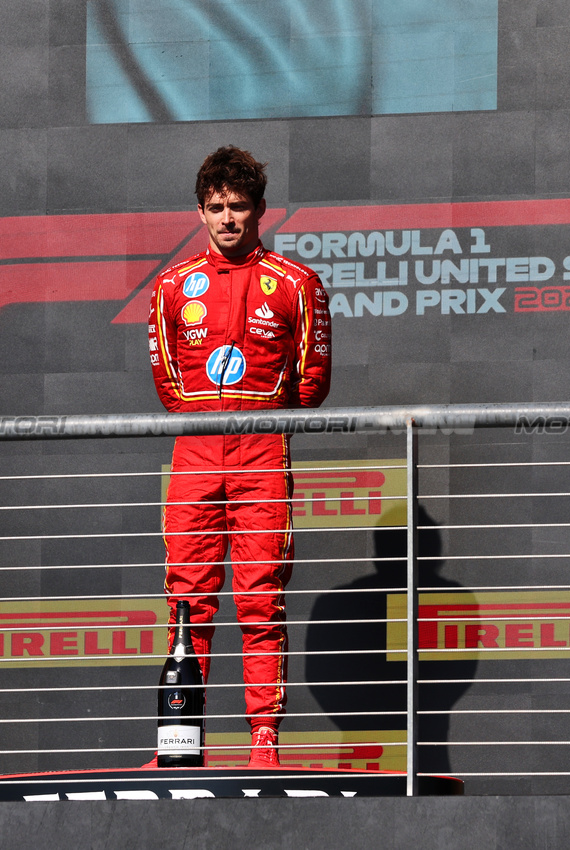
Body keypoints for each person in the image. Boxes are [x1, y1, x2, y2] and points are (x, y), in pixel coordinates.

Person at [148, 146, 331, 767]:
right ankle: (180, 745)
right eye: (216, 207)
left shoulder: (296, 282)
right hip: (196, 448)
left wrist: (264, 417)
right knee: (187, 594)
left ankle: (264, 744)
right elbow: (168, 382)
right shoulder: (172, 286)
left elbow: (312, 381)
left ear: (259, 212)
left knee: (260, 594)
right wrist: (210, 420)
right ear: (200, 212)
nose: (228, 219)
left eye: (239, 207)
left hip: (261, 450)